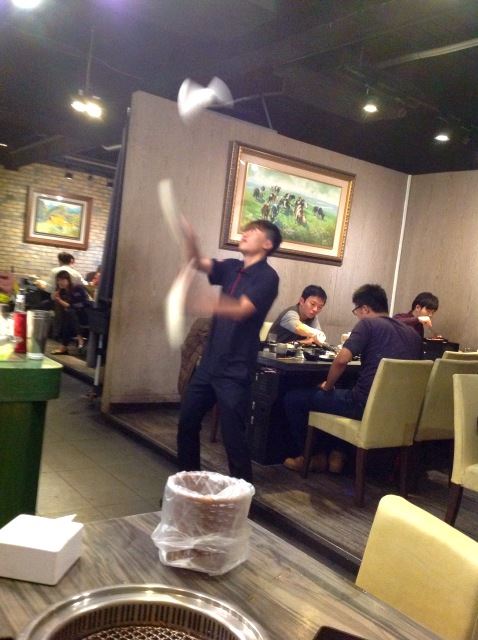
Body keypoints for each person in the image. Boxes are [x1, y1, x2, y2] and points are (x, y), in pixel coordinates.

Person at [177, 219, 282, 482]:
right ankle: (189, 486)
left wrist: (202, 303)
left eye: (253, 231)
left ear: (267, 244)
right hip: (209, 365)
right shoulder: (231, 267)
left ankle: (243, 495)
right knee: (187, 422)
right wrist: (190, 238)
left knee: (234, 438)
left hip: (235, 370)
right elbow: (197, 261)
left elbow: (242, 310)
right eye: (246, 229)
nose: (245, 233)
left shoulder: (268, 277)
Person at [282, 284, 423, 473]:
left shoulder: (368, 324)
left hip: (363, 406)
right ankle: (338, 455)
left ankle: (314, 457)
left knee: (294, 399)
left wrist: (327, 385)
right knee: (346, 388)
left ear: (365, 308)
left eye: (356, 311)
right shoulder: (413, 334)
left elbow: (341, 360)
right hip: (400, 413)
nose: (357, 316)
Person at [50, 270, 90, 355]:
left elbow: (85, 303)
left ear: (68, 279)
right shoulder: (62, 292)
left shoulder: (77, 288)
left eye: (62, 280)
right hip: (73, 316)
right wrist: (57, 299)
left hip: (86, 314)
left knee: (70, 313)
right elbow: (67, 307)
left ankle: (74, 341)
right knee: (69, 315)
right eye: (58, 280)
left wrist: (59, 300)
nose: (60, 282)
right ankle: (78, 339)